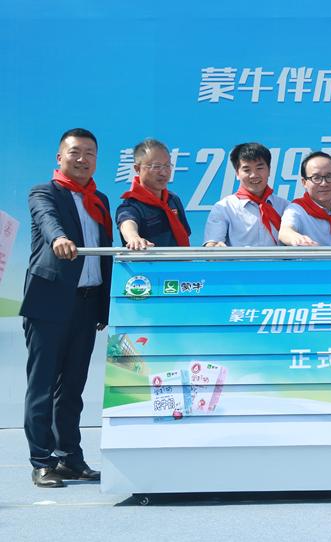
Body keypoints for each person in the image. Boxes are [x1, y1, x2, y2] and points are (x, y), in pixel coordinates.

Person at [20, 128, 112, 487]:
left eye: (90, 153)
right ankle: (42, 461)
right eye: (75, 152)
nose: (82, 159)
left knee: (72, 388)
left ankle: (70, 457)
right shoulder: (44, 192)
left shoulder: (99, 199)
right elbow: (48, 221)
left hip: (87, 304)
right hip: (50, 302)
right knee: (42, 385)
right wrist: (59, 238)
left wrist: (103, 307)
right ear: (60, 157)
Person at [204, 142, 289, 247]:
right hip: (239, 259)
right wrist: (215, 247)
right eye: (247, 170)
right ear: (237, 173)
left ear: (269, 170)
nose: (254, 175)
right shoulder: (224, 208)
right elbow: (212, 244)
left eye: (259, 168)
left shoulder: (286, 207)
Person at [116, 139, 191, 248]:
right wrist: (134, 238)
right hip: (147, 259)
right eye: (156, 166)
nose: (163, 172)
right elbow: (127, 223)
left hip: (179, 259)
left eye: (167, 166)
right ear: (137, 168)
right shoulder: (131, 206)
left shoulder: (173, 199)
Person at [279, 151, 331, 246]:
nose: (324, 183)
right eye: (316, 178)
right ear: (304, 182)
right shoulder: (296, 210)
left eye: (329, 177)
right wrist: (298, 239)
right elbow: (285, 232)